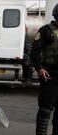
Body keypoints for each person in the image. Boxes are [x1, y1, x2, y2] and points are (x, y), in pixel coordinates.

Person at [30, 4, 58, 135]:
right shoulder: (46, 31)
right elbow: (34, 52)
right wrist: (39, 69)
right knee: (45, 111)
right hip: (50, 76)